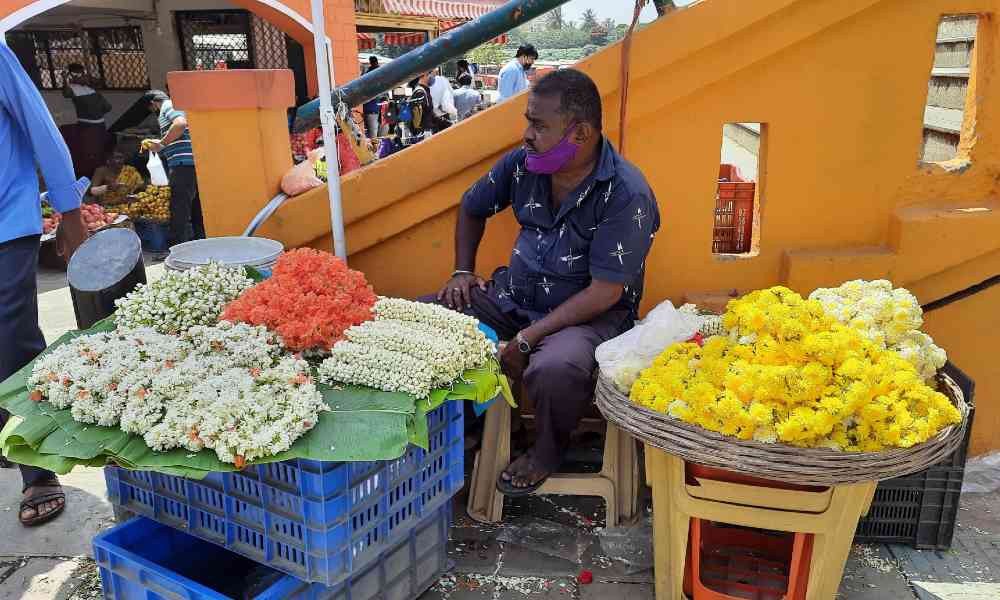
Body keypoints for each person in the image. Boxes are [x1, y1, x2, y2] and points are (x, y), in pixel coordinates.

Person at [431, 69, 660, 494]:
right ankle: (478, 426)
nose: (527, 135)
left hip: (590, 317)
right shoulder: (523, 165)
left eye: (539, 125)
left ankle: (548, 449)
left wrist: (528, 338)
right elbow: (472, 205)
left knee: (556, 368)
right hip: (512, 298)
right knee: (424, 318)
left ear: (580, 133)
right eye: (528, 122)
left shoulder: (627, 193)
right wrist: (463, 270)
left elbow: (605, 292)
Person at [1, 41, 89, 526]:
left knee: (12, 342)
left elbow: (39, 126)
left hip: (5, 221)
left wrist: (69, 211)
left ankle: (38, 469)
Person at [141, 90, 205, 251]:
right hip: (191, 163)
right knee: (195, 207)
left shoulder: (167, 106)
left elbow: (180, 124)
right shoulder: (174, 106)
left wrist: (161, 143)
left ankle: (178, 249)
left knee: (179, 207)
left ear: (153, 104)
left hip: (183, 164)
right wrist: (162, 144)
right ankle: (200, 243)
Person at [61, 63, 112, 178]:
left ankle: (101, 177)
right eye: (76, 74)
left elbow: (108, 107)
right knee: (91, 153)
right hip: (88, 125)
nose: (81, 76)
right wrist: (65, 80)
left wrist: (97, 112)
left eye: (82, 73)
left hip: (99, 124)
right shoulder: (73, 88)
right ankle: (91, 178)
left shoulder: (91, 88)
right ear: (70, 76)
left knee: (101, 152)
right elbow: (66, 93)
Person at [362, 56, 383, 139]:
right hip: (374, 109)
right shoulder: (378, 73)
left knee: (374, 134)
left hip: (372, 109)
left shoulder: (367, 74)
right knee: (375, 135)